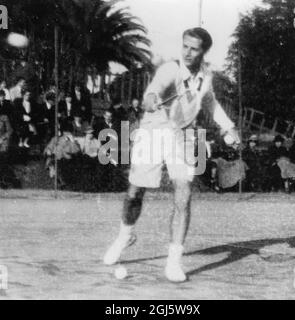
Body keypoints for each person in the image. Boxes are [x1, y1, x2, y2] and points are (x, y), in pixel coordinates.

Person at [103, 27, 240, 282]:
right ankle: (125, 235)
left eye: (194, 48)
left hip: (184, 135)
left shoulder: (206, 76)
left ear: (203, 51)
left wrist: (228, 125)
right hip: (153, 133)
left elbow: (209, 102)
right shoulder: (169, 69)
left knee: (183, 195)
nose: (187, 52)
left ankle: (174, 261)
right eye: (185, 46)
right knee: (134, 194)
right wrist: (151, 98)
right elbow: (155, 88)